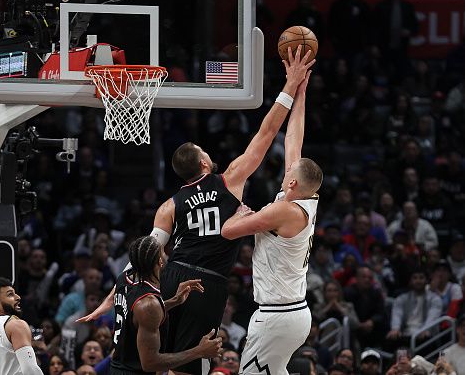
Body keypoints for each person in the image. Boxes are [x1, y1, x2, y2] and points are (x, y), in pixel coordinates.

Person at [84, 46, 315, 375]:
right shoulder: (230, 179)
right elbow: (267, 132)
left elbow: (145, 255)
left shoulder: (169, 205)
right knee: (193, 364)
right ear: (204, 162)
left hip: (172, 279)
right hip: (206, 284)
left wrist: (112, 296)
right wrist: (290, 85)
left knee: (165, 359)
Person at [221, 55, 322, 375]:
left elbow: (227, 231)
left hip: (277, 315)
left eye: (289, 169)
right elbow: (295, 138)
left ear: (292, 181)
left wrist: (240, 213)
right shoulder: (304, 198)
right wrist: (299, 91)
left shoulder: (282, 210)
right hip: (292, 312)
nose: (286, 163)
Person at [111, 236, 222, 374]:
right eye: (163, 251)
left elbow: (136, 317)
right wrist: (199, 351)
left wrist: (174, 301)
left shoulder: (124, 279)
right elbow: (150, 363)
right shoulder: (149, 304)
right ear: (160, 262)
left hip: (117, 367)